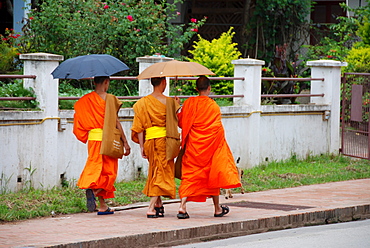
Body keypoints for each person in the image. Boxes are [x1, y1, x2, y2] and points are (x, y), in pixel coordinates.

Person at [176, 75, 241, 219]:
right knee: (212, 177)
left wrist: (177, 108)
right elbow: (218, 129)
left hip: (193, 148)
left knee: (189, 176)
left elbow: (182, 123)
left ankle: (182, 207)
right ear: (209, 88)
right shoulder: (213, 106)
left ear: (196, 89)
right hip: (210, 149)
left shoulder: (189, 103)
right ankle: (217, 209)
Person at [73, 76, 131, 215]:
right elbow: (115, 122)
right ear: (106, 82)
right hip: (108, 139)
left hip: (93, 140)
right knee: (109, 173)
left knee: (96, 167)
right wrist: (125, 142)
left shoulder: (85, 100)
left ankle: (103, 205)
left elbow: (78, 121)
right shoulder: (110, 99)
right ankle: (94, 191)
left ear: (94, 83)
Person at [131, 77, 181, 218]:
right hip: (164, 142)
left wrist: (141, 146)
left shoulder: (142, 103)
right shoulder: (169, 102)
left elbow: (139, 128)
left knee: (155, 170)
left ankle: (158, 204)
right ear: (164, 83)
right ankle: (151, 208)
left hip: (149, 141)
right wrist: (176, 106)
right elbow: (175, 122)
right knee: (161, 173)